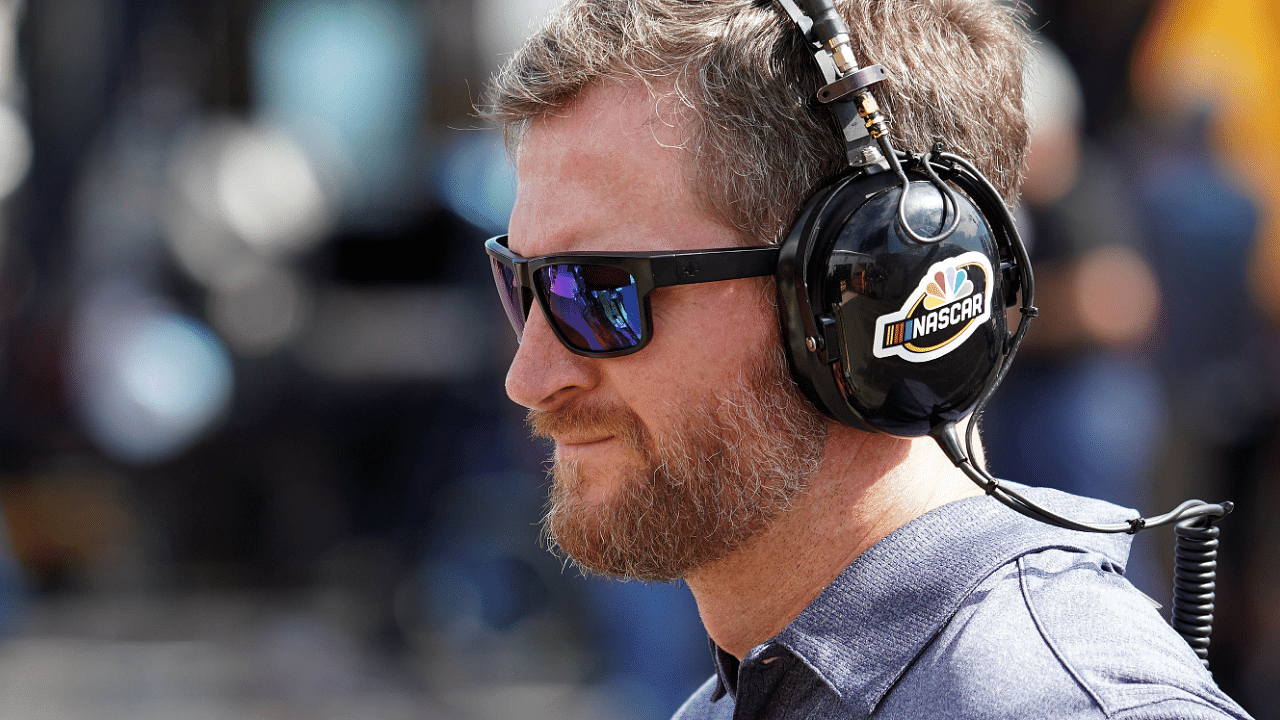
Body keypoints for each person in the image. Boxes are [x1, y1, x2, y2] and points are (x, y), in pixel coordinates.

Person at [480, 0, 1254, 718]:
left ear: (871, 292)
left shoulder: (1059, 704)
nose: (529, 378)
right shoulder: (747, 693)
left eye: (598, 291)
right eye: (520, 283)